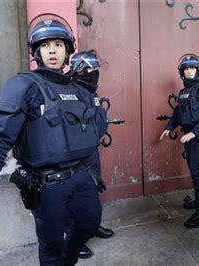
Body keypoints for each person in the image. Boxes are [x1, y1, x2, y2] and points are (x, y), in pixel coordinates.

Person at [0, 14, 106, 265]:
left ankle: (68, 260)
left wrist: (92, 174)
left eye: (58, 44)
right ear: (36, 52)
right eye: (45, 46)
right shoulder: (24, 85)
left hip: (81, 177)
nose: (52, 51)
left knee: (90, 223)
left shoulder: (78, 89)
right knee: (52, 247)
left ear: (68, 50)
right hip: (47, 185)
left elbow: (87, 134)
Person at [159, 54, 199, 228]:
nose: (189, 71)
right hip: (190, 136)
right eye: (185, 69)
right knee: (195, 172)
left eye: (192, 68)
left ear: (198, 69)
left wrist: (193, 133)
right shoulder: (184, 92)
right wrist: (168, 127)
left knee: (197, 173)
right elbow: (179, 113)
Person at [69, 50, 115, 259]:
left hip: (91, 151)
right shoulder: (73, 92)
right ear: (82, 70)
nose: (96, 72)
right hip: (79, 156)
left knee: (93, 189)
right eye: (93, 68)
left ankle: (92, 226)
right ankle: (75, 240)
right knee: (77, 197)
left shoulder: (89, 91)